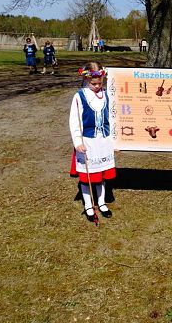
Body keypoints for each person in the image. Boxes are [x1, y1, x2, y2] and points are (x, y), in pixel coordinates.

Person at [69, 61, 115, 222]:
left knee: (101, 175)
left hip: (104, 141)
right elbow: (74, 121)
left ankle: (101, 203)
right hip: (87, 142)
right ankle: (89, 205)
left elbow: (112, 119)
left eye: (99, 83)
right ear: (86, 80)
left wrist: (114, 142)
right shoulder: (79, 96)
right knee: (87, 176)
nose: (96, 86)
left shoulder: (107, 95)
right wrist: (78, 142)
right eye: (93, 83)